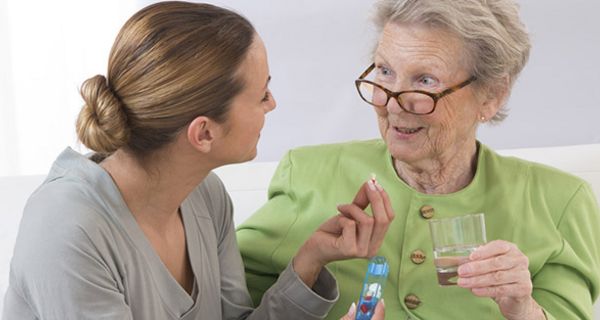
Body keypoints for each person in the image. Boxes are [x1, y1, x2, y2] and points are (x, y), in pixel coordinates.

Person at [2, 2, 394, 319]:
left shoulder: (204, 195)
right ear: (203, 133)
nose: (272, 105)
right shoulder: (69, 229)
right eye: (261, 95)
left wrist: (310, 261)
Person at [236, 0, 600, 319]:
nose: (393, 102)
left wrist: (525, 312)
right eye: (385, 71)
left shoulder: (560, 203)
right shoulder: (309, 175)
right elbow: (233, 309)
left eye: (425, 80)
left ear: (492, 94)